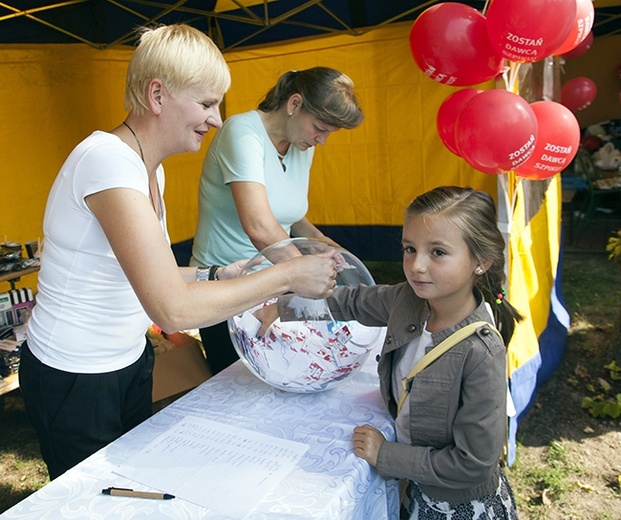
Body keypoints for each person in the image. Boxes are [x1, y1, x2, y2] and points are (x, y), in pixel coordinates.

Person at [19, 24, 338, 481]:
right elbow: (170, 308)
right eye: (207, 103)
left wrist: (214, 275)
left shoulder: (150, 169)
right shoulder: (106, 161)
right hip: (75, 376)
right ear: (157, 95)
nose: (216, 120)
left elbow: (159, 275)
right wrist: (287, 276)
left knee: (127, 492)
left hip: (127, 362)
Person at [313, 186, 521, 518]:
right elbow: (350, 301)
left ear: (480, 262)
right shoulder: (406, 300)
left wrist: (386, 456)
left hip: (456, 506)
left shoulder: (481, 352)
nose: (417, 266)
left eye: (437, 252)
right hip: (417, 491)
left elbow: (473, 464)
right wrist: (283, 306)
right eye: (410, 249)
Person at [190, 66, 364, 374]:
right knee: (237, 389)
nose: (321, 140)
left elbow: (292, 218)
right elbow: (258, 226)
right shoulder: (241, 132)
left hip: (275, 283)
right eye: (319, 128)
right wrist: (304, 271)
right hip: (226, 285)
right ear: (294, 104)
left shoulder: (301, 144)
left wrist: (328, 249)